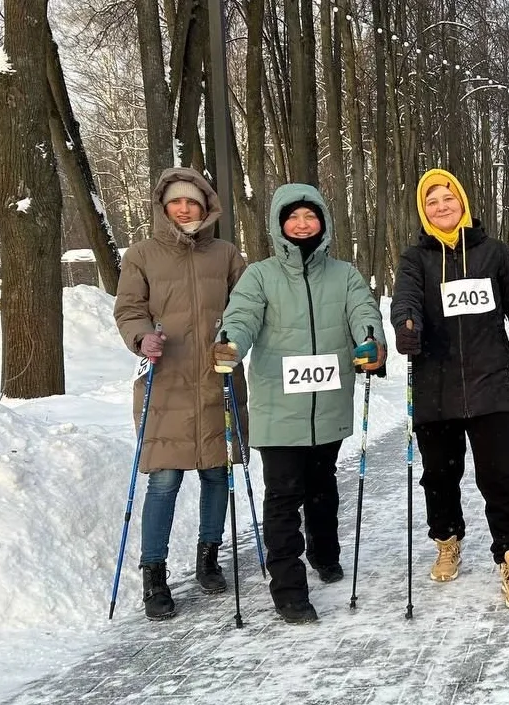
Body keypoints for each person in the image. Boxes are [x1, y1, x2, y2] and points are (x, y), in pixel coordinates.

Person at [214, 183, 386, 623]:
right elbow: (242, 316)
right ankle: (288, 588)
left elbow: (362, 311)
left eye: (311, 216)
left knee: (323, 486)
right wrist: (230, 343)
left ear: (323, 223)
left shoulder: (343, 273)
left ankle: (325, 552)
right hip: (278, 403)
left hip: (327, 400)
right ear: (279, 223)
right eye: (294, 217)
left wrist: (370, 340)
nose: (303, 224)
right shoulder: (260, 275)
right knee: (284, 495)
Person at [389, 169, 509, 610]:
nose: (441, 207)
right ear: (424, 210)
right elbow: (406, 299)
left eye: (447, 198)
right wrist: (406, 325)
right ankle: (447, 539)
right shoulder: (415, 258)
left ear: (462, 203)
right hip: (435, 385)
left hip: (489, 381)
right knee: (439, 476)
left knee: (501, 476)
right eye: (432, 201)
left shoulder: (493, 252)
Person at [114, 167, 248, 621]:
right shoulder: (141, 254)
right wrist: (140, 337)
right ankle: (154, 572)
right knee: (165, 479)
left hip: (218, 375)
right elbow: (129, 309)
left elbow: (245, 307)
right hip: (165, 380)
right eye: (176, 201)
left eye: (193, 200)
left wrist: (235, 339)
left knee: (216, 472)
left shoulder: (226, 253)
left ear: (206, 205)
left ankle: (208, 557)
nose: (185, 208)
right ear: (163, 207)